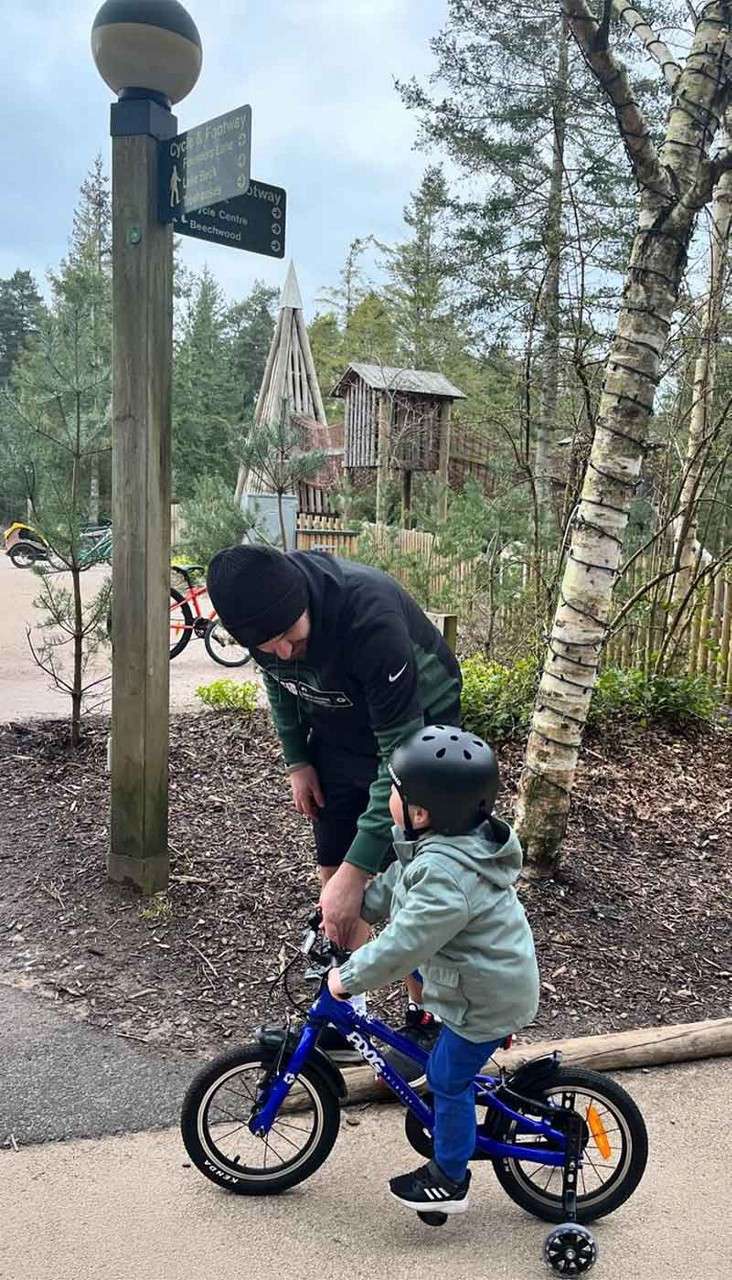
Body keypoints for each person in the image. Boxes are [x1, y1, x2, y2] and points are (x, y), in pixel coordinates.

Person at [206, 542, 462, 1058]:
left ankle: (428, 1019)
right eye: (264, 643)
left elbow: (398, 757)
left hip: (420, 733)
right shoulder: (266, 628)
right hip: (339, 733)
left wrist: (357, 872)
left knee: (412, 884)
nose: (279, 650)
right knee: (337, 885)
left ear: (303, 601)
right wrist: (297, 759)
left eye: (287, 636)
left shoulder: (368, 617)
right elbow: (280, 682)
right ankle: (350, 1015)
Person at [327, 724, 540, 1214]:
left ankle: (450, 1178)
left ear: (421, 812)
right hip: (478, 979)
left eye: (395, 793)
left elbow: (405, 943)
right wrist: (354, 907)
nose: (389, 800)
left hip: (487, 997)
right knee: (446, 1065)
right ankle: (453, 1123)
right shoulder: (443, 846)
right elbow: (400, 888)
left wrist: (349, 977)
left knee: (447, 1077)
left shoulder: (447, 873)